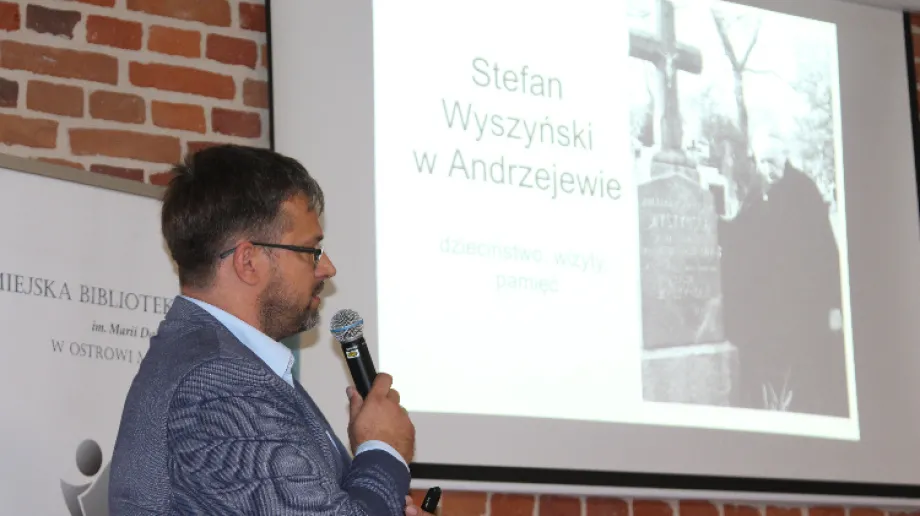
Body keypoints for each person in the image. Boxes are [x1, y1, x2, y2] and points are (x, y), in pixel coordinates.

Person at [108, 144, 430, 515]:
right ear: (248, 261)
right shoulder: (217, 382)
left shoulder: (228, 366)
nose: (327, 268)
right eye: (311, 250)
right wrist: (383, 448)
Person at [717, 131, 849, 417]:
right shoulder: (759, 190)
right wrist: (714, 224)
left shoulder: (803, 189)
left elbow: (826, 251)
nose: (767, 168)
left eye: (772, 161)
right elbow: (742, 232)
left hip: (805, 309)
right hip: (773, 311)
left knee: (809, 381)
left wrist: (834, 306)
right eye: (762, 161)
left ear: (785, 156)